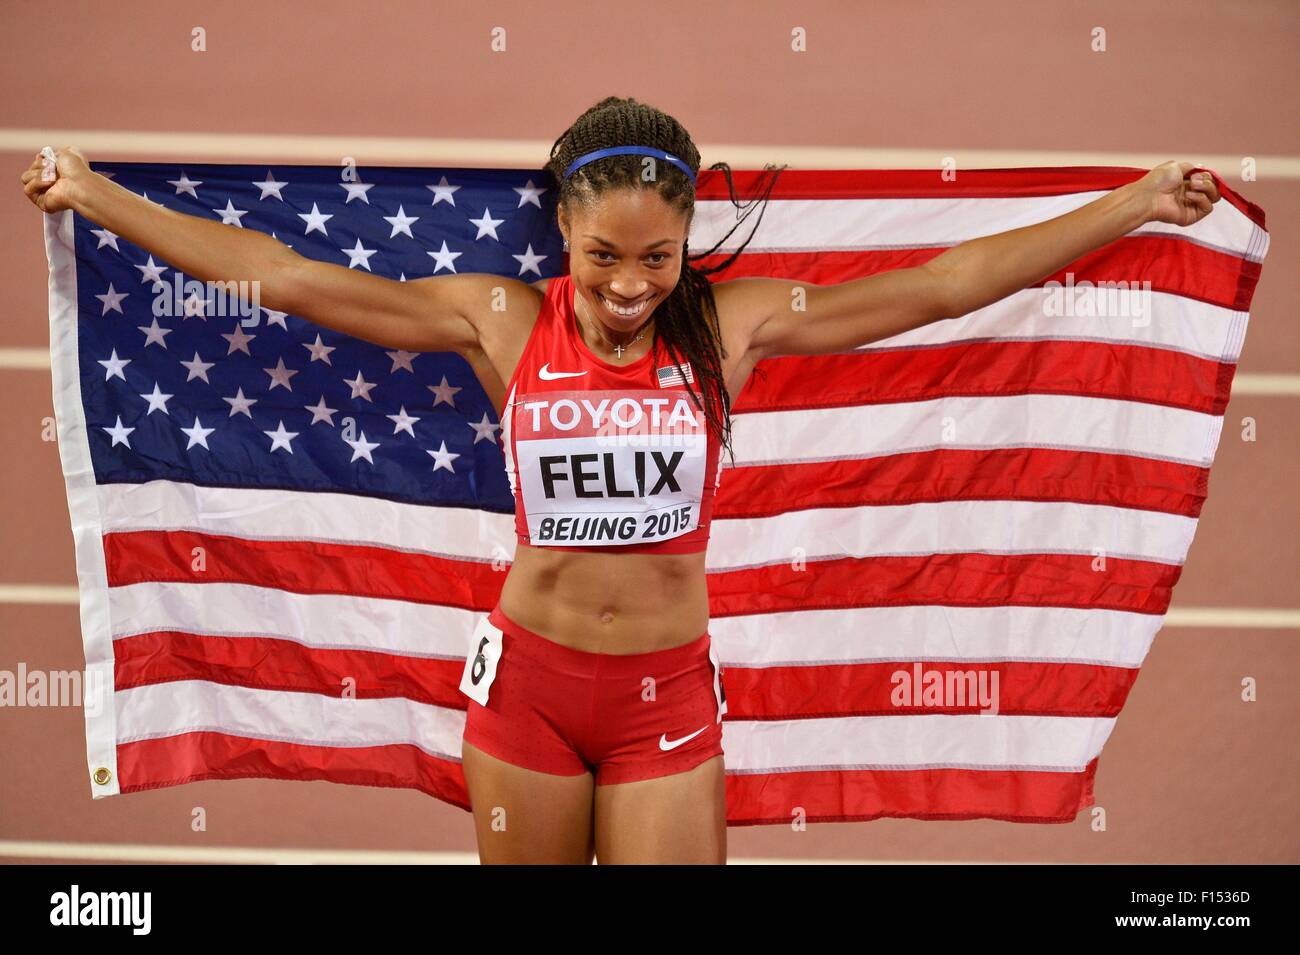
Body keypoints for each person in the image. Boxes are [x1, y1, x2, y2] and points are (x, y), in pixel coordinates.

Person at [21, 95, 1221, 865]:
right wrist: (97, 196)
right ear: (561, 235)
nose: (630, 283)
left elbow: (947, 284)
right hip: (527, 697)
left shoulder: (737, 326)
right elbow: (281, 276)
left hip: (663, 703)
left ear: (690, 237)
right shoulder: (499, 320)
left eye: (657, 255)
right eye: (602, 256)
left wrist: (1134, 203)